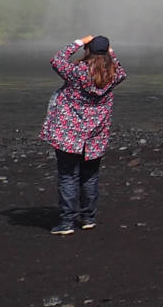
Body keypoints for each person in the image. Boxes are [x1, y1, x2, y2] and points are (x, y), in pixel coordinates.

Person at [41, 34, 125, 235]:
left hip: (68, 135)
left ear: (88, 51)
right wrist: (110, 51)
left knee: (68, 177)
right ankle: (88, 218)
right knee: (90, 177)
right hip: (95, 136)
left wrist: (78, 42)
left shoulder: (77, 72)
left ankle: (67, 222)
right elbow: (120, 68)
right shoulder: (115, 74)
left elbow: (57, 59)